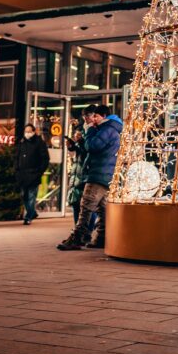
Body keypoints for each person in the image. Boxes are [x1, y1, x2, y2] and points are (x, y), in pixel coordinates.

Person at [58, 104, 122, 251]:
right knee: (102, 208)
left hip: (99, 174)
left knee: (86, 206)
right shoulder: (112, 129)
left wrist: (90, 130)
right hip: (106, 174)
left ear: (103, 116)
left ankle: (78, 237)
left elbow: (93, 146)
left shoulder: (107, 129)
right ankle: (102, 238)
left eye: (96, 116)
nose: (94, 119)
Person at [15, 123, 50, 225]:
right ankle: (33, 212)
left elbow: (45, 159)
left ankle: (28, 217)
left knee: (31, 196)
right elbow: (17, 157)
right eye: (26, 131)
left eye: (29, 131)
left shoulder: (39, 142)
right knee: (24, 196)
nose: (27, 133)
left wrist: (39, 172)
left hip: (34, 174)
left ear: (34, 132)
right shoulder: (22, 142)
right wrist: (17, 169)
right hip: (22, 175)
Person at [66, 124, 88, 227]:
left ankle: (85, 231)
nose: (76, 136)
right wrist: (71, 146)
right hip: (76, 178)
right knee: (76, 204)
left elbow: (85, 152)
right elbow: (78, 152)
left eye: (78, 135)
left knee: (86, 207)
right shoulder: (79, 143)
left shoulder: (89, 137)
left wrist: (79, 143)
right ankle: (77, 229)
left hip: (84, 178)